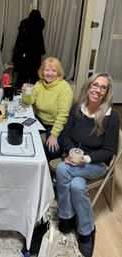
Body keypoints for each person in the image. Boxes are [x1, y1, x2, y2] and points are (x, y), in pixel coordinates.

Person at [56, 72, 120, 257]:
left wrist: (87, 159)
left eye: (103, 87)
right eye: (95, 85)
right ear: (88, 86)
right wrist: (70, 153)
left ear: (107, 92)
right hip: (73, 159)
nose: (97, 90)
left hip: (96, 163)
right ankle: (87, 231)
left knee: (61, 169)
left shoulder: (111, 116)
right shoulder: (77, 108)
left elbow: (109, 151)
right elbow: (66, 135)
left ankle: (66, 217)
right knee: (76, 185)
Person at [21, 57, 73, 159]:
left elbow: (63, 115)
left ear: (58, 72)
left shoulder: (64, 88)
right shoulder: (39, 83)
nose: (50, 73)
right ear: (42, 71)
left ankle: (47, 168)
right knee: (21, 130)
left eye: (54, 70)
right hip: (41, 119)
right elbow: (29, 101)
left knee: (53, 151)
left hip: (55, 123)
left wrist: (53, 135)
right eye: (47, 70)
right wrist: (25, 92)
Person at [12, 9, 46, 88]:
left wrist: (17, 52)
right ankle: (33, 93)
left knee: (23, 75)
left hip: (25, 54)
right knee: (32, 75)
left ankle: (20, 92)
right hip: (34, 54)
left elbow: (20, 40)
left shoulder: (25, 24)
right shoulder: (38, 24)